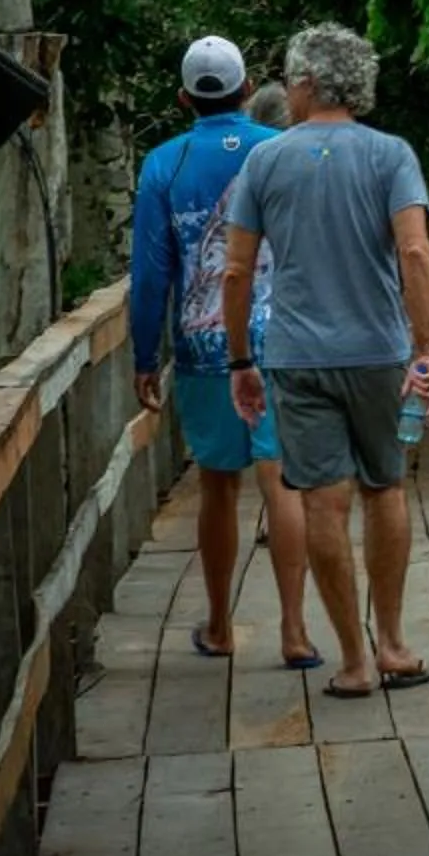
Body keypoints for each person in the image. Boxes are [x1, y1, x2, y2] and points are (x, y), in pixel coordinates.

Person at [222, 23, 429, 700]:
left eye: (289, 80)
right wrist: (425, 348)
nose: (285, 92)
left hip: (296, 355)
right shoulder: (390, 155)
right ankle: (395, 643)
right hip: (378, 352)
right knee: (386, 487)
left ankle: (352, 660)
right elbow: (414, 253)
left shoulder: (265, 163)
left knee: (322, 499)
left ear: (311, 84)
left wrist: (239, 362)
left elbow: (235, 272)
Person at [127, 34, 314, 668]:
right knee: (283, 481)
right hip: (284, 339)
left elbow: (152, 272)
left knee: (217, 485)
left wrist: (143, 355)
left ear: (184, 98)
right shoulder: (281, 150)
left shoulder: (163, 165)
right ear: (245, 89)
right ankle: (294, 633)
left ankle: (219, 625)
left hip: (206, 345)